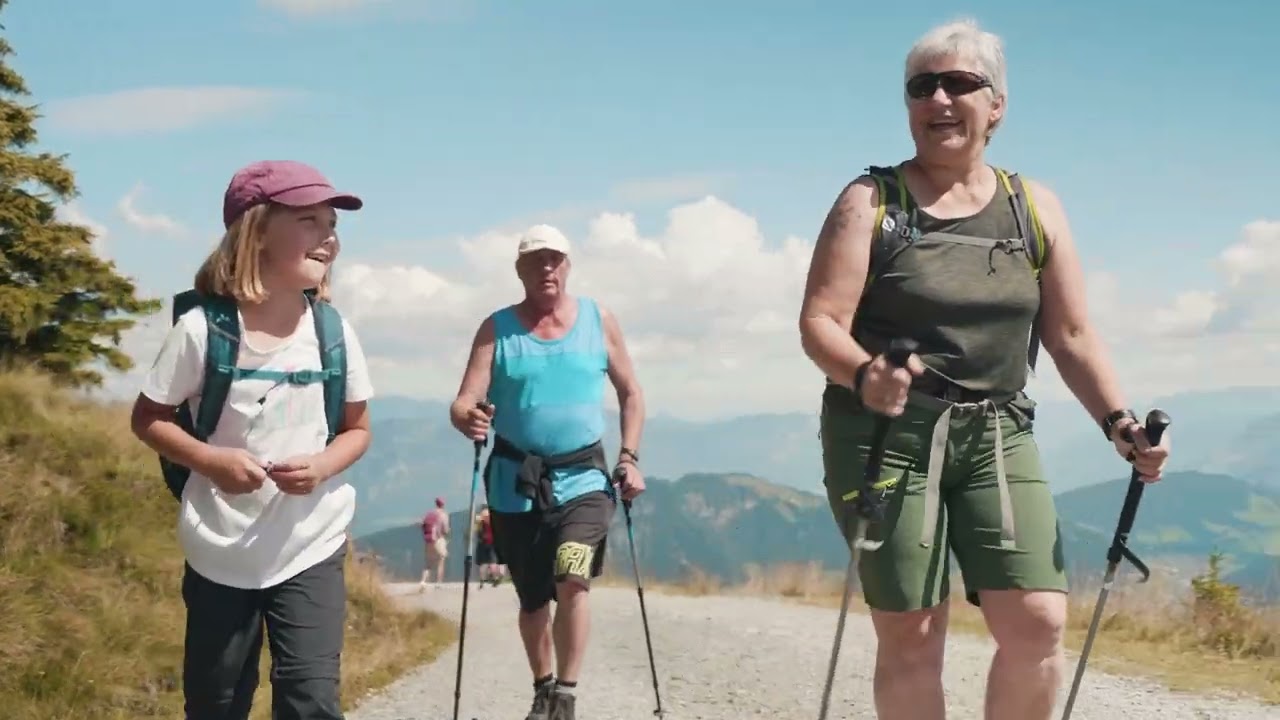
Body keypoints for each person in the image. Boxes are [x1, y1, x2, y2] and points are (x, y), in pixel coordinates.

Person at [796, 19, 1172, 720]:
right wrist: (867, 375)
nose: (938, 99)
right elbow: (820, 322)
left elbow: (1070, 334)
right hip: (886, 434)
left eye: (959, 83)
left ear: (996, 105)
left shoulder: (1033, 207)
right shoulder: (870, 202)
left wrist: (1120, 424)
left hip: (998, 431)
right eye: (921, 87)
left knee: (1038, 624)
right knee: (913, 635)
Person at [129, 159, 375, 720]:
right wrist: (211, 461)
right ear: (256, 232)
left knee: (311, 699)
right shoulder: (202, 331)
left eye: (332, 225)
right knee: (216, 702)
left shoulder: (333, 332)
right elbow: (148, 417)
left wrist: (322, 466)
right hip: (220, 547)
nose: (329, 238)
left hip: (311, 542)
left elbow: (358, 430)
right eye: (310, 221)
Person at [448, 223, 647, 720]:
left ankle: (566, 694)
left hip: (585, 480)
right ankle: (543, 686)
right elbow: (465, 399)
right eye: (536, 260)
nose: (547, 267)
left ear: (568, 265)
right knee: (533, 598)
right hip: (514, 483)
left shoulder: (599, 320)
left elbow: (631, 393)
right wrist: (468, 416)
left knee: (572, 575)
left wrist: (629, 457)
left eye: (555, 258)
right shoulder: (497, 329)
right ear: (519, 270)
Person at [419, 497, 450, 590]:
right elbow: (446, 530)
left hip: (428, 540)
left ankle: (423, 581)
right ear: (443, 504)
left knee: (428, 563)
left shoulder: (429, 514)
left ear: (436, 504)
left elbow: (422, 525)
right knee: (441, 561)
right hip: (438, 539)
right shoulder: (443, 515)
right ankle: (438, 583)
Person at [474, 504, 502, 587]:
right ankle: (495, 579)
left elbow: (476, 530)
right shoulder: (494, 516)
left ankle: (482, 580)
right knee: (492, 562)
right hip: (492, 543)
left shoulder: (480, 518)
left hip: (483, 543)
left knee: (483, 563)